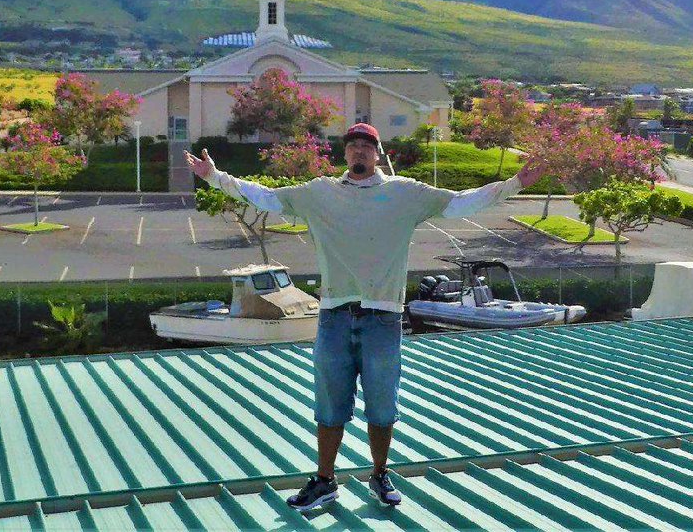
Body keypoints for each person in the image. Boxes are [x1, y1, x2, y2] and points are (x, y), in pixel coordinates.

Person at [185, 122, 544, 511]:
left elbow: (460, 203)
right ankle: (325, 480)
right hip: (334, 315)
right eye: (352, 146)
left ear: (378, 153)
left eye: (366, 146)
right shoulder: (319, 192)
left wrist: (516, 183)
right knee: (328, 403)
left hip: (383, 318)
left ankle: (379, 474)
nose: (359, 152)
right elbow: (266, 197)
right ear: (345, 154)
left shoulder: (405, 193)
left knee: (382, 404)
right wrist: (215, 178)